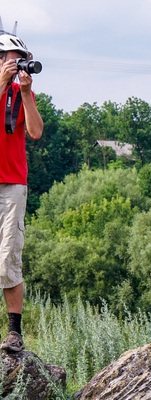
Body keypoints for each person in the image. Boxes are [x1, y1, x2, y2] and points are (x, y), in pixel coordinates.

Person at [0, 19, 43, 352]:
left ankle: (14, 332)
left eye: (19, 60)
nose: (16, 66)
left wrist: (25, 92)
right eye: (11, 59)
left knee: (8, 257)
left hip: (13, 184)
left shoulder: (20, 91)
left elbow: (36, 131)